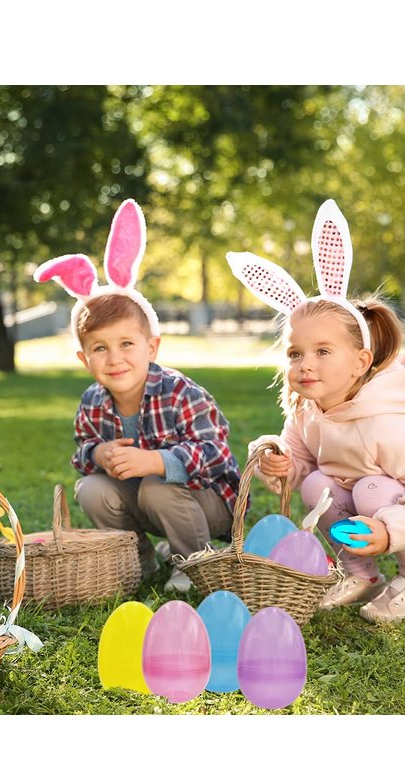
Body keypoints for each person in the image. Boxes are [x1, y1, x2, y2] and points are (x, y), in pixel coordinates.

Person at [227, 199, 405, 622]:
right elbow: (299, 469)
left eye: (323, 351)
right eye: (295, 353)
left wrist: (389, 529)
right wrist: (278, 463)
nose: (305, 364)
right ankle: (362, 574)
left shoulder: (389, 421)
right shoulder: (308, 410)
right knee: (317, 485)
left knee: (372, 490)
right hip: (373, 502)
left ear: (361, 362)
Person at [35, 199, 242, 593]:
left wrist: (157, 461)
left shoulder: (180, 393)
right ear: (84, 359)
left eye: (127, 344)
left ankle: (194, 563)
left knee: (155, 484)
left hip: (209, 504)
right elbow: (83, 451)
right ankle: (137, 560)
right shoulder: (93, 401)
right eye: (100, 348)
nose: (115, 358)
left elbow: (216, 454)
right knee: (92, 489)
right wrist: (99, 454)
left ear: (152, 347)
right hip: (147, 503)